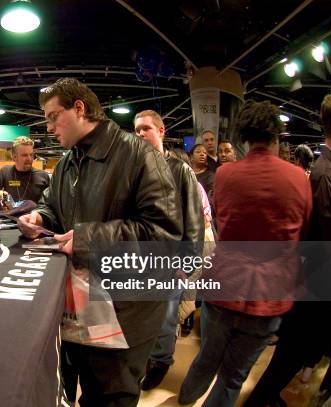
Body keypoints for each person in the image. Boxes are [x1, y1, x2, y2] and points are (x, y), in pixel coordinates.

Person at [19, 78, 182, 406]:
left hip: (124, 313)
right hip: (78, 308)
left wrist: (89, 238)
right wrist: (41, 217)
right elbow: (53, 203)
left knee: (110, 396)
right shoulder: (66, 162)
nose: (49, 128)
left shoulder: (139, 156)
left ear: (79, 108)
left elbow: (162, 236)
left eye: (53, 117)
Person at [178, 100, 312, 407]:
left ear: (245, 137)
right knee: (233, 376)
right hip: (271, 293)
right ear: (276, 135)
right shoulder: (298, 179)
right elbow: (302, 234)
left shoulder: (225, 175)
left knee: (206, 359)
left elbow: (221, 222)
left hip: (225, 283)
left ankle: (184, 400)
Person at [244, 94, 331, 407]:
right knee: (291, 357)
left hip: (314, 286)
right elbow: (328, 243)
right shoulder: (326, 175)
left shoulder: (328, 170)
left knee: (293, 356)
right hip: (316, 288)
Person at [133, 110, 204, 390]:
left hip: (169, 263)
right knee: (139, 316)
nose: (140, 134)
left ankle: (162, 361)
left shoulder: (179, 171)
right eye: (136, 130)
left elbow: (194, 224)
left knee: (164, 321)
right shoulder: (134, 169)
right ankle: (144, 358)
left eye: (146, 129)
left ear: (161, 131)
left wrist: (185, 267)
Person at [0, 136, 50, 203]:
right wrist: (5, 196)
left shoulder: (43, 176)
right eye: (24, 155)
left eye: (31, 155)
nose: (29, 159)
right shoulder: (4, 172)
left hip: (34, 213)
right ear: (14, 157)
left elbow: (50, 202)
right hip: (11, 212)